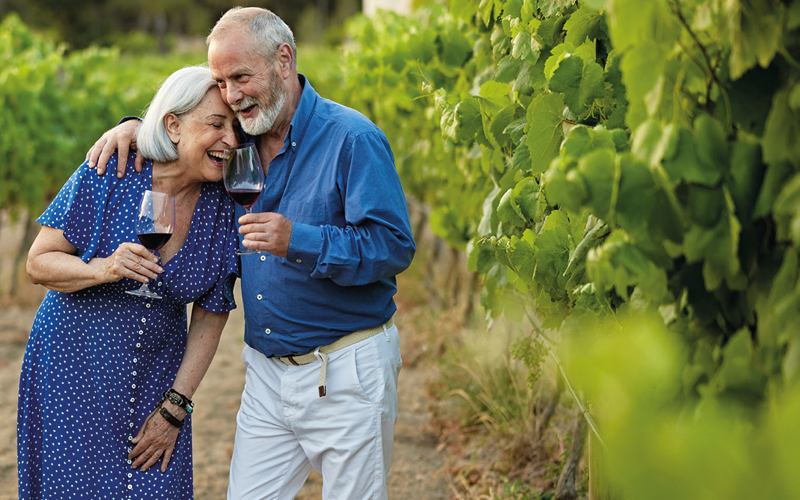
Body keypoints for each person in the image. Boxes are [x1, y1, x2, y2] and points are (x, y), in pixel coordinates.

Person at [88, 7, 416, 500]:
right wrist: (133, 125)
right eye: (222, 81)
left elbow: (393, 246)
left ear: (284, 60)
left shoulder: (353, 139)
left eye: (241, 76)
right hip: (266, 373)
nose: (232, 94)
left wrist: (299, 240)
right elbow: (185, 128)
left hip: (345, 369)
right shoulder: (238, 136)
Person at [18, 65, 241, 499]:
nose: (230, 140)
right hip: (74, 370)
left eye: (235, 128)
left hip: (158, 380)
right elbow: (38, 262)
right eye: (216, 124)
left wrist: (177, 405)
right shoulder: (113, 171)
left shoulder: (225, 204)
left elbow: (213, 313)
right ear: (173, 125)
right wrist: (101, 268)